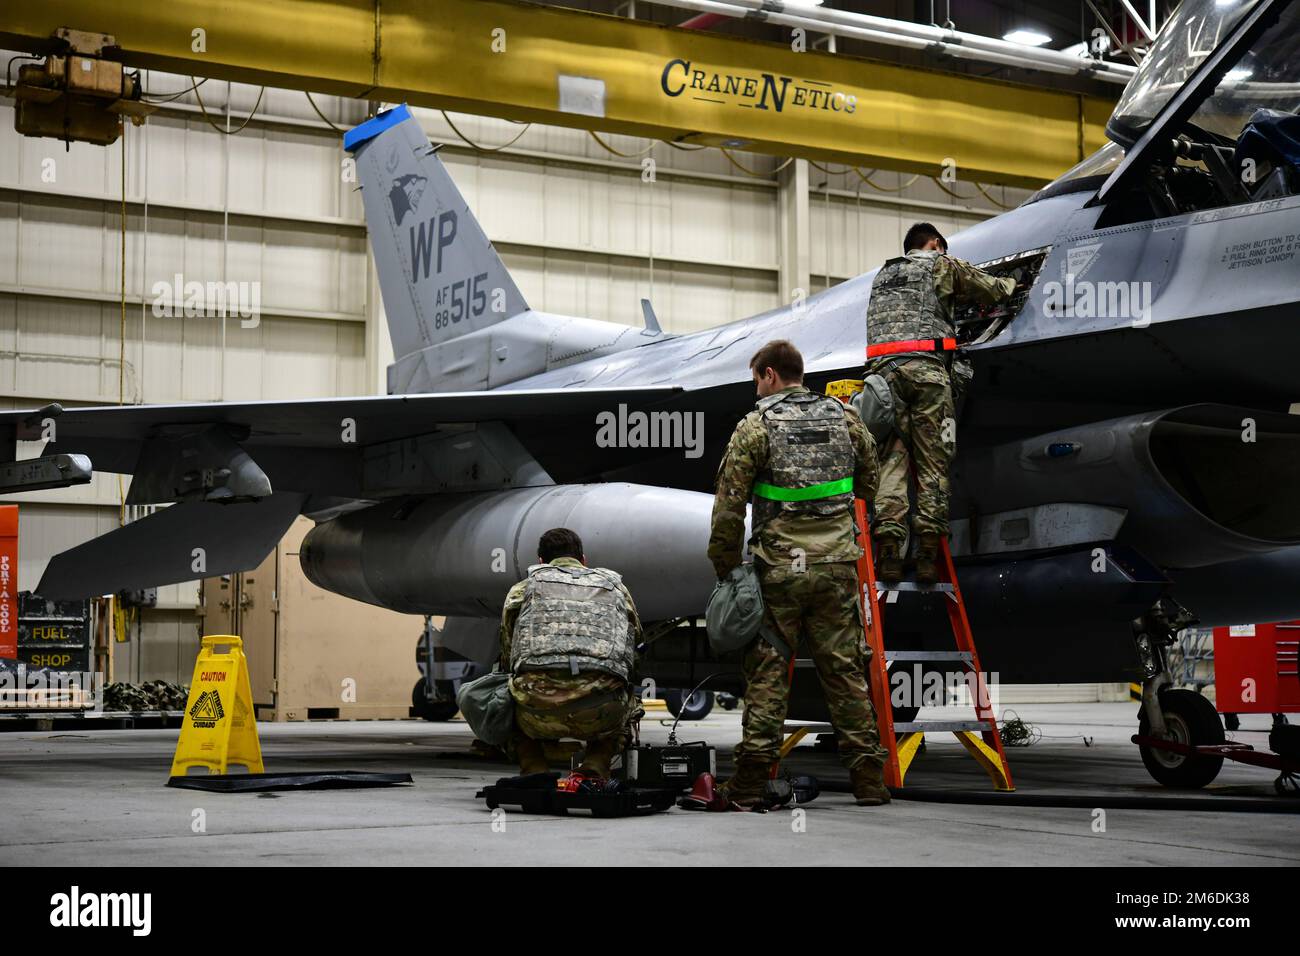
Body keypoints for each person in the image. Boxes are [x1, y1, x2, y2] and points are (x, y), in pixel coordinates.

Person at [708, 339, 891, 807]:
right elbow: (871, 479)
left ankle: (749, 783)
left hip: (780, 570)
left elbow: (729, 505)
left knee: (768, 674)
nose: (755, 391)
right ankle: (869, 783)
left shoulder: (756, 425)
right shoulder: (845, 417)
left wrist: (726, 565)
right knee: (845, 671)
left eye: (756, 380)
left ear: (769, 374)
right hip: (836, 565)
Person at [865, 222, 1016, 585]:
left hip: (883, 380)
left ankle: (888, 556)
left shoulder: (882, 275)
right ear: (934, 244)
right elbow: (993, 290)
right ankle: (928, 556)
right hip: (927, 376)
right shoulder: (940, 265)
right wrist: (1011, 285)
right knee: (933, 464)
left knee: (892, 463)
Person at [498, 527, 643, 788]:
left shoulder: (523, 589)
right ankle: (594, 768)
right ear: (583, 559)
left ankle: (534, 769)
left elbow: (508, 654)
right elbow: (635, 644)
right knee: (630, 700)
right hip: (602, 711)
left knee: (499, 696)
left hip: (534, 711)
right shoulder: (615, 588)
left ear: (541, 561)